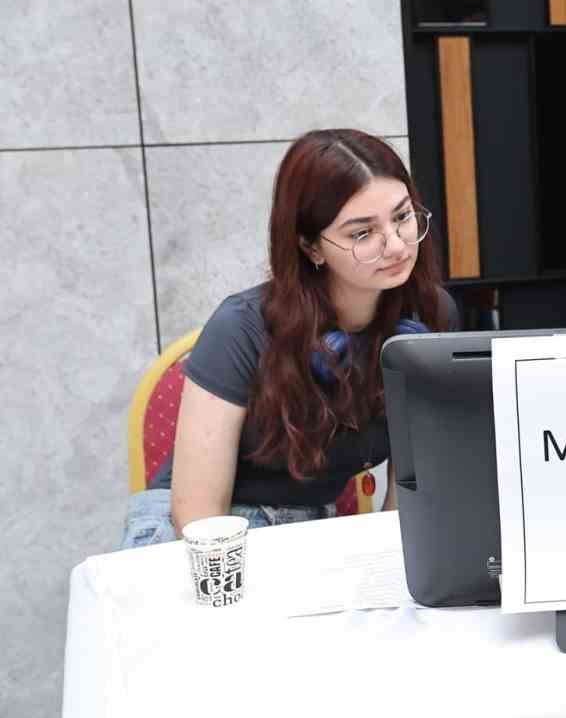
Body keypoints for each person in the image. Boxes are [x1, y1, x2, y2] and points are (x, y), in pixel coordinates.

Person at [120, 130, 456, 548]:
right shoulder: (239, 328)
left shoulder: (430, 314)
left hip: (311, 524)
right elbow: (198, 517)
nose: (395, 245)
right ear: (311, 247)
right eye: (362, 234)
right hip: (199, 532)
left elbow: (407, 495)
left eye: (403, 217)